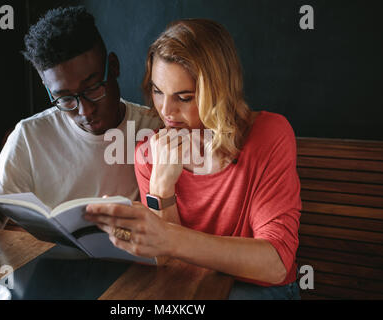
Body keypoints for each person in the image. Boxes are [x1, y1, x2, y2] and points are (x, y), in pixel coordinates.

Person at [84, 19, 302, 299]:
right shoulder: (148, 155)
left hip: (259, 289)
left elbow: (275, 265)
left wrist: (169, 238)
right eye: (158, 91)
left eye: (184, 98)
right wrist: (161, 188)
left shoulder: (270, 134)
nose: (166, 110)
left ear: (219, 94)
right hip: (188, 289)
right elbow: (163, 259)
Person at [0, 6, 161, 260]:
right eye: (65, 98)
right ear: (49, 91)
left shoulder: (153, 127)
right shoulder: (30, 136)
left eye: (92, 88)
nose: (85, 109)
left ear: (113, 67)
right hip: (57, 271)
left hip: (132, 273)